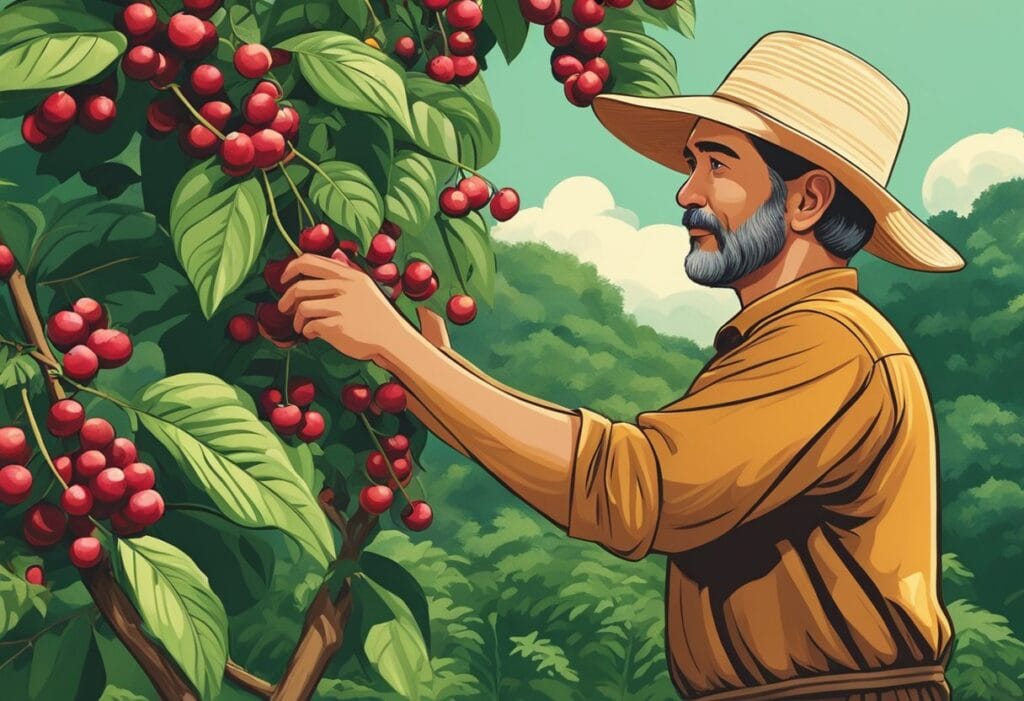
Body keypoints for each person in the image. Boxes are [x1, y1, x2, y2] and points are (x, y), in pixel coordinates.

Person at [278, 32, 964, 701]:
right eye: (692, 162)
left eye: (717, 164)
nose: (685, 191)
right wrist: (429, 373)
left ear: (809, 200)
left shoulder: (827, 345)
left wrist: (396, 348)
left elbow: (640, 487)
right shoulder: (789, 339)